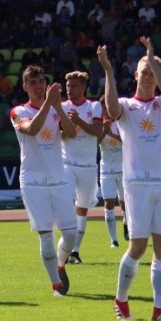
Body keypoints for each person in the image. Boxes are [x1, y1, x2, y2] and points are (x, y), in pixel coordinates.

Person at [101, 38, 161, 321]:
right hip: (137, 184)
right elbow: (111, 108)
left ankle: (160, 309)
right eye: (145, 71)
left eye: (153, 71)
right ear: (136, 75)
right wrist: (108, 71)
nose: (149, 75)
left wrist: (153, 60)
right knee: (138, 246)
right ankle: (121, 299)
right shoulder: (127, 106)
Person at [10, 65, 77, 297]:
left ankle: (60, 264)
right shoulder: (18, 111)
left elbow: (72, 133)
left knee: (71, 234)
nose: (38, 86)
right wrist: (49, 103)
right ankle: (56, 285)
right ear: (25, 87)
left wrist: (57, 107)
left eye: (41, 82)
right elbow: (31, 129)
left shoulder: (57, 107)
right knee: (46, 236)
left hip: (59, 179)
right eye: (33, 82)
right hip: (33, 181)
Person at [60, 70, 103, 265]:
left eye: (74, 86)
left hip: (88, 165)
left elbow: (97, 132)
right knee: (66, 204)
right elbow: (59, 134)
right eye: (68, 86)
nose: (69, 89)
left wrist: (78, 121)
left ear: (84, 87)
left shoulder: (94, 106)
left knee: (82, 210)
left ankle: (75, 252)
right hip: (67, 163)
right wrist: (68, 128)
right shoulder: (62, 107)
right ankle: (65, 246)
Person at [98, 102, 127, 247]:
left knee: (124, 203)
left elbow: (126, 142)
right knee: (108, 203)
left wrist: (111, 134)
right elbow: (95, 142)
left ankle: (126, 222)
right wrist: (104, 130)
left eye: (107, 107)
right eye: (103, 108)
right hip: (106, 170)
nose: (105, 110)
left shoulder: (120, 123)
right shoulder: (98, 125)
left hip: (123, 169)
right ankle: (113, 240)